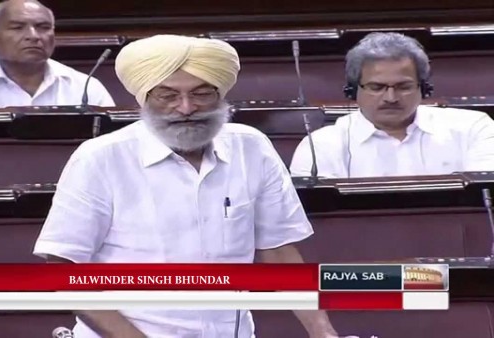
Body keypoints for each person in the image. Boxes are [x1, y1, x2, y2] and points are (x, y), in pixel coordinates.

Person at [33, 34, 357, 338]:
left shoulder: (251, 147)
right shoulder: (100, 158)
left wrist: (322, 331)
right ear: (145, 98)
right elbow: (64, 268)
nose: (186, 108)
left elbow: (278, 250)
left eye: (201, 94)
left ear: (220, 95)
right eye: (168, 95)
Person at [290, 32, 494, 178]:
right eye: (376, 87)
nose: (390, 97)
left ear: (424, 88)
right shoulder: (320, 147)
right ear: (352, 91)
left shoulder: (473, 129)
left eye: (403, 86)